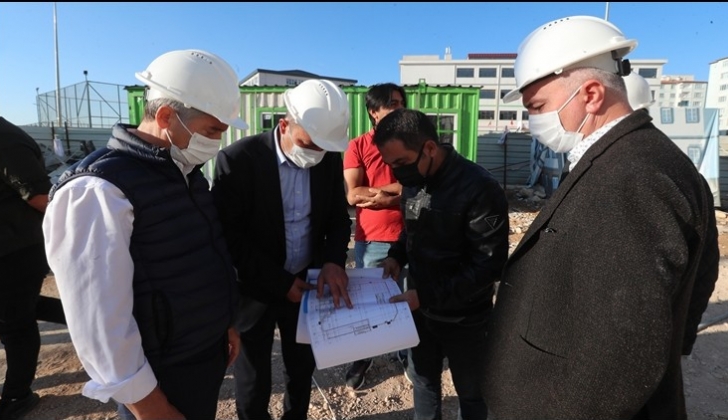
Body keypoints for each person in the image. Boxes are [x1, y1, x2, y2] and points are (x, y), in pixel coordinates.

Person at [480, 15, 720, 420]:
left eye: (538, 107)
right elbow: (700, 274)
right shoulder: (628, 158)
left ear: (591, 94)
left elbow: (623, 350)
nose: (532, 121)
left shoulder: (634, 176)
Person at [43, 49, 246, 420]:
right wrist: (150, 407)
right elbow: (99, 322)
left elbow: (204, 258)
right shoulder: (97, 190)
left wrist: (224, 323)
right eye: (212, 130)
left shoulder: (184, 171)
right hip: (160, 378)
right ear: (166, 117)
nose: (218, 142)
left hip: (202, 354)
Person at [211, 78, 352, 420]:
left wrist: (334, 261)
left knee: (301, 367)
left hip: (306, 284)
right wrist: (279, 283)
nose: (314, 154)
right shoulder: (239, 159)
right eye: (307, 144)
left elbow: (338, 217)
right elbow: (230, 237)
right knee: (253, 377)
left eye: (322, 148)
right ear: (284, 124)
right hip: (254, 287)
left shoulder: (328, 158)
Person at [373, 108, 510, 420]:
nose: (397, 173)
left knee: (472, 393)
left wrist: (426, 296)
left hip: (466, 318)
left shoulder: (479, 188)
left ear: (430, 148)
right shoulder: (414, 180)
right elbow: (411, 230)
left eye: (401, 163)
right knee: (423, 383)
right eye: (390, 165)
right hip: (420, 312)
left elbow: (488, 265)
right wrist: (396, 256)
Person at [622, 72, 720, 358]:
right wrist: (683, 337)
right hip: (660, 339)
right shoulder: (680, 165)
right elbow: (705, 268)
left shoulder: (631, 173)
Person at [0, 109, 66, 420]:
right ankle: (86, 317)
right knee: (17, 308)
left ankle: (18, 395)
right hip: (4, 248)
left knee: (14, 324)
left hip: (13, 250)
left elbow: (40, 196)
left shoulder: (3, 140)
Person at [342, 83, 408, 390]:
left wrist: (385, 195)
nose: (398, 108)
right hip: (373, 238)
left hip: (410, 235)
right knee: (368, 304)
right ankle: (363, 356)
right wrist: (395, 193)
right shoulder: (358, 145)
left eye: (401, 103)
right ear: (374, 112)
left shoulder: (412, 143)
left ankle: (407, 354)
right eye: (392, 104)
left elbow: (416, 185)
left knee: (407, 300)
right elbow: (353, 194)